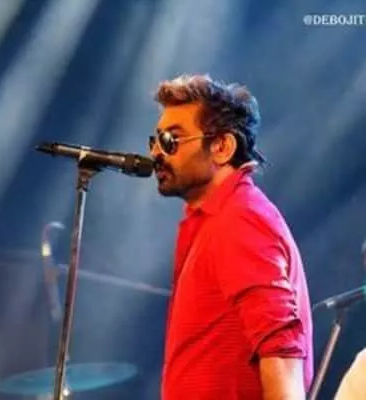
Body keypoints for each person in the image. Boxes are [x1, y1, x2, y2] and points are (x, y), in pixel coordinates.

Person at [149, 74, 313, 400]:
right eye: (155, 139)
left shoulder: (241, 218)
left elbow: (281, 349)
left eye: (171, 140)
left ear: (222, 147)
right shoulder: (212, 219)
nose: (156, 152)